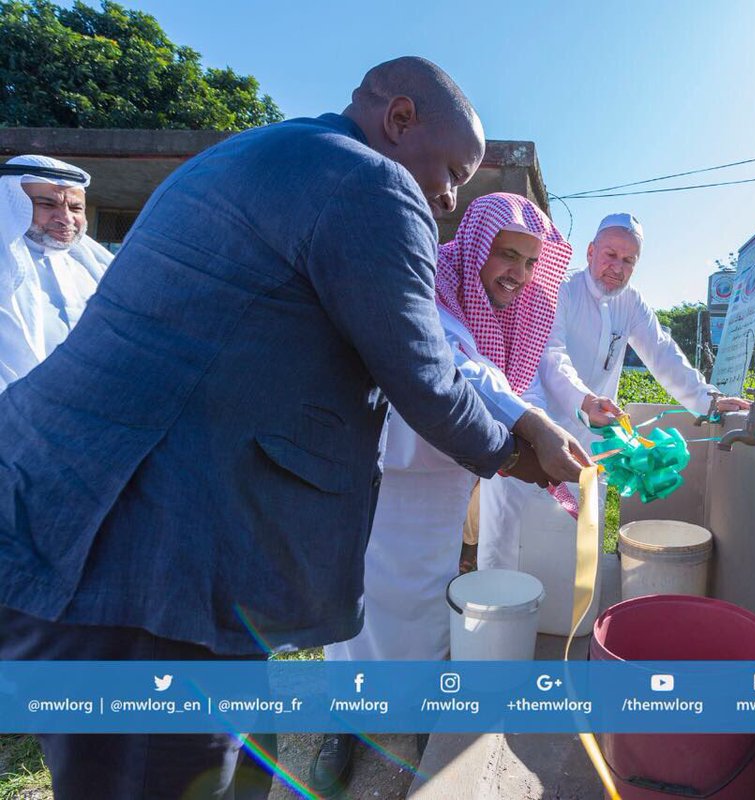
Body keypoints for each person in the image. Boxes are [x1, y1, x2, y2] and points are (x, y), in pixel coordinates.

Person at [0, 57, 581, 799]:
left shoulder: (252, 155)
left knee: (236, 762)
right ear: (400, 119)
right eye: (451, 172)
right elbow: (426, 373)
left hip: (94, 512)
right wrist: (518, 453)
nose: (447, 198)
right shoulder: (370, 183)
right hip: (141, 551)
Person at [314, 192, 576, 793]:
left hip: (447, 473)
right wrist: (533, 428)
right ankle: (344, 718)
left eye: (531, 263)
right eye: (507, 255)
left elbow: (510, 382)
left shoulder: (509, 314)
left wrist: (538, 429)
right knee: (359, 590)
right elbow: (459, 367)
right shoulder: (430, 284)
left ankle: (416, 705)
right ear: (478, 246)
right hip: (385, 467)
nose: (518, 274)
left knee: (429, 590)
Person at [478, 213, 750, 570]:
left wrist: (707, 400)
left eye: (628, 260)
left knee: (572, 557)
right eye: (610, 255)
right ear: (591, 251)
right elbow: (550, 357)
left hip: (592, 448)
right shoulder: (559, 289)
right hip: (532, 438)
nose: (617, 268)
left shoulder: (631, 302)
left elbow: (662, 352)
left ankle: (566, 608)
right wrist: (585, 401)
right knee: (510, 551)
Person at [0, 154, 111, 390]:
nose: (66, 219)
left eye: (76, 208)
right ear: (11, 204)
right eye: (47, 205)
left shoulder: (97, 268)